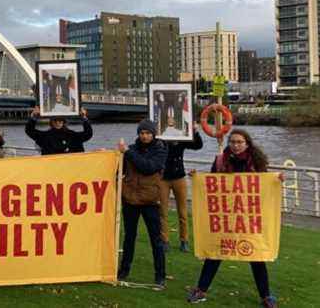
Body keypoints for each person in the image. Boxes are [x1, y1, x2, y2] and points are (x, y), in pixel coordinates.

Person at [186, 129, 280, 307]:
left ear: (247, 144)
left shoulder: (257, 161)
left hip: (249, 217)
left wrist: (277, 180)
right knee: (215, 253)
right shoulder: (221, 160)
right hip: (226, 216)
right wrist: (197, 178)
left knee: (256, 255)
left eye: (239, 142)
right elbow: (212, 184)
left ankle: (266, 296)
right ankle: (201, 290)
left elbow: (264, 184)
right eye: (233, 142)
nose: (236, 146)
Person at [117, 119, 168, 288]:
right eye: (142, 133)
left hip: (150, 200)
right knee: (129, 238)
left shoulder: (160, 150)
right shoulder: (130, 150)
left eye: (147, 133)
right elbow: (120, 170)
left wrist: (128, 153)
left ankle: (160, 275)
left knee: (156, 239)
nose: (144, 136)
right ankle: (124, 270)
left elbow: (149, 167)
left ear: (153, 134)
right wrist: (111, 157)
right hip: (130, 198)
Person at [160, 123, 203, 253]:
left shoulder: (182, 140)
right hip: (163, 179)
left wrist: (195, 132)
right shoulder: (160, 141)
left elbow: (197, 146)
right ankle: (165, 240)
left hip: (179, 178)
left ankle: (184, 240)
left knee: (183, 212)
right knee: (162, 212)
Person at [25, 106, 92, 155]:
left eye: (60, 120)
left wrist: (84, 118)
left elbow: (88, 134)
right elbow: (29, 130)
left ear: (63, 122)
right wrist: (34, 116)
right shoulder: (45, 136)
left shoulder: (72, 135)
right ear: (51, 122)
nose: (57, 122)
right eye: (55, 120)